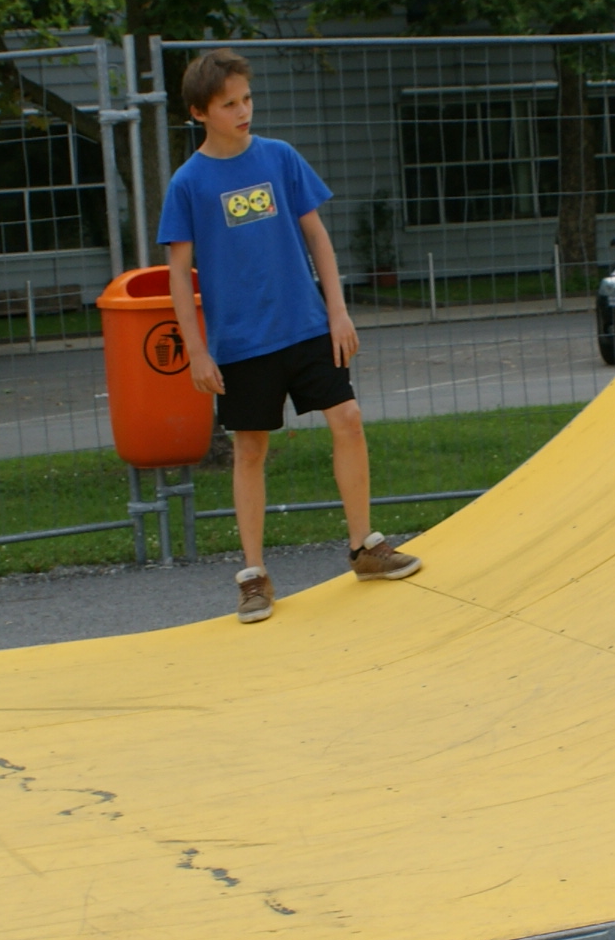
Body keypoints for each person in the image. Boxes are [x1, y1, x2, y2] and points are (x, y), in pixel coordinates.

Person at [159, 49, 421, 624]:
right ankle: (254, 576)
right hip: (240, 343)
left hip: (305, 326)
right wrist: (197, 350)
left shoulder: (280, 157)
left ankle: (364, 547)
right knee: (250, 449)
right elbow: (179, 273)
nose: (244, 111)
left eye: (247, 99)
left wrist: (338, 312)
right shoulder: (188, 183)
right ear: (200, 112)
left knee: (348, 418)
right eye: (229, 104)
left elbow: (317, 237)